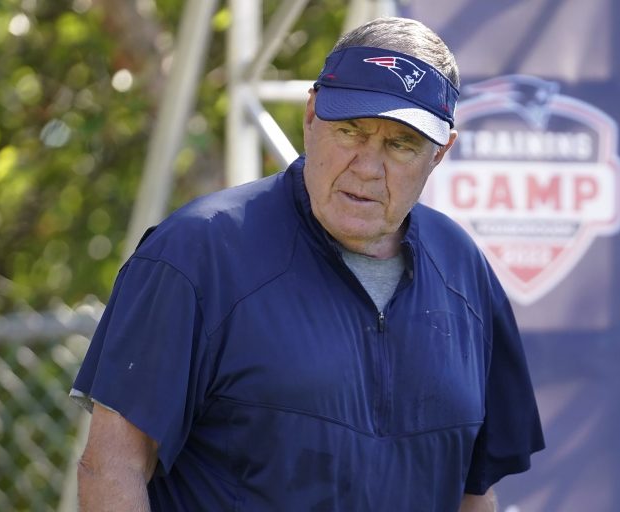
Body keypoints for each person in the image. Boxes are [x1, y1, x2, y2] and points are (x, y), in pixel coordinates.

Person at [71, 16, 544, 512]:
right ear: (312, 116)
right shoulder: (197, 253)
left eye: (400, 144)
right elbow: (111, 468)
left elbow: (474, 492)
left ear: (440, 153)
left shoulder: (464, 271)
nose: (366, 166)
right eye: (350, 130)